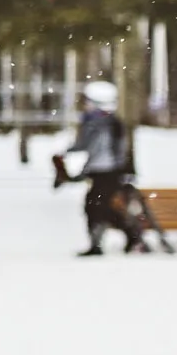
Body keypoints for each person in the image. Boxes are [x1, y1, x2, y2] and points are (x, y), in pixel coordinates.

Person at [55, 79, 140, 256]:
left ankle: (123, 238)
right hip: (105, 172)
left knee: (96, 207)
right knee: (100, 207)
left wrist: (69, 152)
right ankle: (127, 237)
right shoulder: (108, 123)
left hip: (106, 173)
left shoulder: (101, 124)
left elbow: (90, 146)